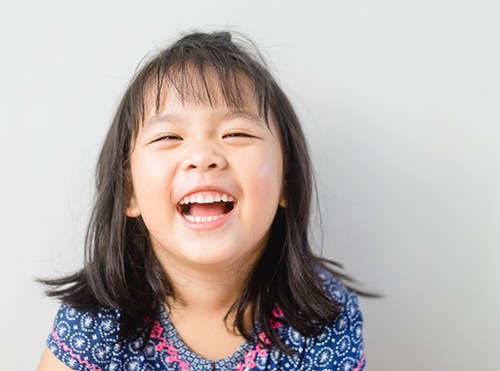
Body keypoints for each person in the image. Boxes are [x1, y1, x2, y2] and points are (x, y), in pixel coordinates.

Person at [37, 31, 365, 371]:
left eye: (236, 133)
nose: (202, 156)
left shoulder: (322, 314)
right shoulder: (97, 317)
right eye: (169, 137)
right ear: (128, 191)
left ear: (286, 181)